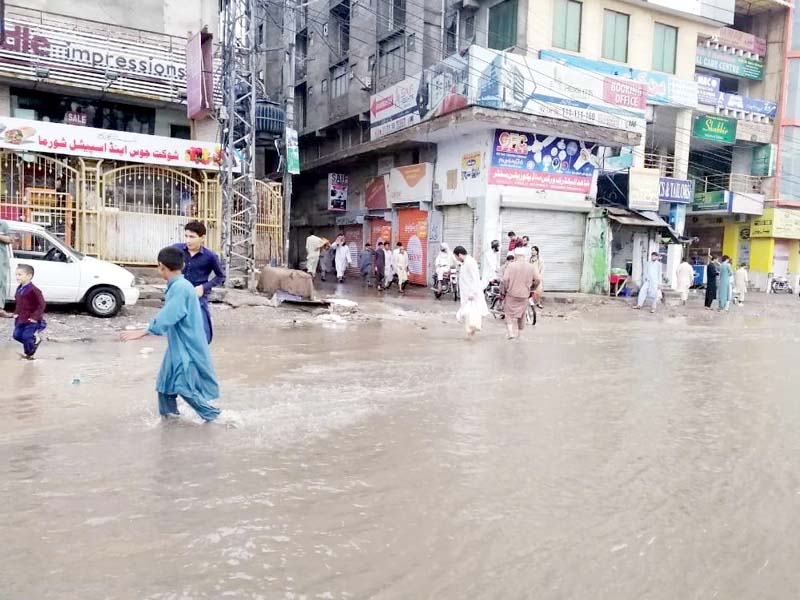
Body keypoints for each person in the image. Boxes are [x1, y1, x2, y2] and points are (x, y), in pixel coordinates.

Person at [120, 246, 221, 422]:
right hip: (177, 345)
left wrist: (143, 332)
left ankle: (216, 417)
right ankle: (170, 422)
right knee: (164, 386)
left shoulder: (181, 287)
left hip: (186, 345)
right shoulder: (179, 285)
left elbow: (170, 314)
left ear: (161, 266)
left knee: (184, 387)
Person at [173, 221, 225, 344]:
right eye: (186, 236)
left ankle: (201, 354)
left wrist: (204, 287)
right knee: (176, 328)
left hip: (198, 297)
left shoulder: (210, 257)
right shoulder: (176, 249)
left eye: (192, 237)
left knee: (203, 331)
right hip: (178, 295)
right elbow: (165, 265)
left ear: (202, 238)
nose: (188, 240)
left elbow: (221, 276)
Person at [2, 264, 46, 360]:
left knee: (26, 337)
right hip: (20, 318)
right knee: (16, 335)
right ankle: (34, 341)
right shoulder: (19, 288)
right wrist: (15, 313)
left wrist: (35, 317)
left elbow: (41, 304)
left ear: (29, 276)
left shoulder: (34, 290)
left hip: (31, 320)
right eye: (16, 274)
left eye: (20, 274)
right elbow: (18, 302)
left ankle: (29, 354)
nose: (17, 277)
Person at [502, 247, 539, 340]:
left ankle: (510, 333)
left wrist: (506, 289)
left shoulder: (511, 266)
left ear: (516, 255)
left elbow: (505, 279)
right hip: (524, 294)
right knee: (522, 314)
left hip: (511, 294)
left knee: (508, 314)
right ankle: (520, 334)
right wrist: (532, 288)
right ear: (524, 256)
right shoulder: (531, 266)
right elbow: (538, 279)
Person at [453, 245, 489, 338]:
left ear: (460, 255)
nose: (457, 259)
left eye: (457, 257)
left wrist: (472, 293)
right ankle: (470, 336)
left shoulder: (470, 262)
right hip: (467, 293)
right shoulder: (466, 262)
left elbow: (475, 278)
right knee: (467, 314)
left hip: (471, 294)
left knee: (469, 315)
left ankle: (469, 336)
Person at [0, 219, 11, 309]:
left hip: (1, 259)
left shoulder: (3, 224)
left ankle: (0, 309)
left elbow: (9, 239)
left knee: (1, 283)